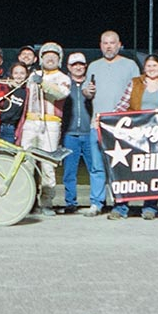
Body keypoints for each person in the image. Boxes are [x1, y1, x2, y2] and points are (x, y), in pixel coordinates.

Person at [109, 54, 158, 220]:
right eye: (148, 66)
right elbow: (122, 106)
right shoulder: (135, 83)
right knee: (127, 171)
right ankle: (121, 207)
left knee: (153, 172)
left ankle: (150, 207)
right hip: (133, 135)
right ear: (144, 68)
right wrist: (107, 119)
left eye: (154, 66)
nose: (151, 69)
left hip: (156, 137)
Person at [85, 30, 138, 216]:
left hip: (120, 127)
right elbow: (87, 91)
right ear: (100, 45)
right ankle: (96, 203)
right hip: (97, 124)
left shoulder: (130, 65)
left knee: (119, 168)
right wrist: (88, 92)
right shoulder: (93, 66)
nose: (109, 46)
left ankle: (121, 205)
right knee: (97, 167)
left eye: (112, 43)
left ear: (119, 44)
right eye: (105, 43)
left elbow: (136, 94)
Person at [19, 43, 70, 215]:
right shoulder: (33, 75)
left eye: (54, 56)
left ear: (59, 59)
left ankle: (47, 203)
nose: (50, 58)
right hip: (30, 123)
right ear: (40, 59)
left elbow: (61, 93)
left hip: (50, 124)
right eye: (46, 55)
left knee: (48, 165)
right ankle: (27, 202)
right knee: (26, 163)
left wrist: (44, 84)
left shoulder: (63, 77)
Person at [59, 52, 95, 214]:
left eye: (81, 64)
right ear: (68, 67)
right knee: (69, 171)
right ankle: (70, 202)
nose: (78, 67)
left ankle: (97, 201)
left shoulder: (92, 84)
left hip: (89, 133)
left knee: (94, 169)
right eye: (74, 65)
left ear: (85, 66)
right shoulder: (64, 84)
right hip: (70, 134)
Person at [0, 62, 28, 144]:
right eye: (16, 73)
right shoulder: (5, 87)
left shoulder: (26, 91)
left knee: (7, 153)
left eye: (22, 73)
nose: (19, 76)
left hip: (10, 127)